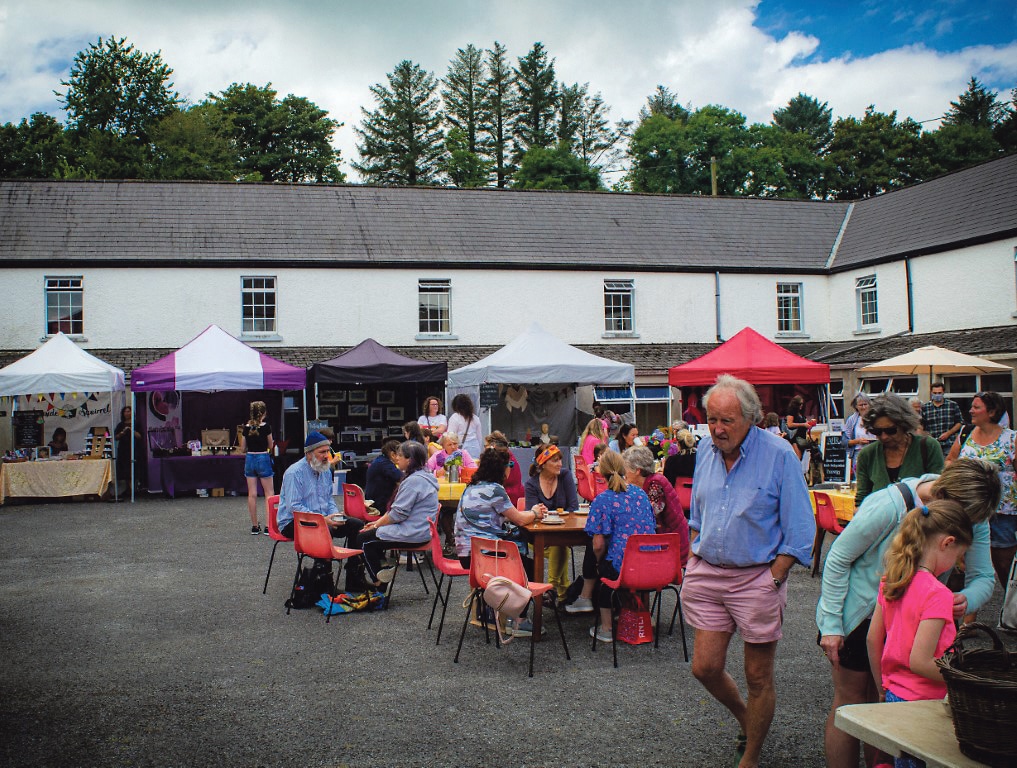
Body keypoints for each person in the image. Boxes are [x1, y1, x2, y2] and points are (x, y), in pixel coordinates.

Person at [816, 458, 1000, 768]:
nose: (969, 527)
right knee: (850, 704)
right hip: (858, 615)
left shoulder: (971, 513)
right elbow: (837, 559)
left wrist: (964, 599)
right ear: (946, 497)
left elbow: (984, 577)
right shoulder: (891, 505)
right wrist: (832, 624)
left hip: (914, 618)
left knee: (888, 712)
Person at [682, 375, 815, 768]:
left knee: (757, 677)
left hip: (757, 576)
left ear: (752, 418)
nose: (718, 429)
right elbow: (699, 510)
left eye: (727, 421)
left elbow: (801, 528)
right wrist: (693, 555)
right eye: (712, 419)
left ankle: (751, 756)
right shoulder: (706, 448)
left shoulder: (778, 454)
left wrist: (774, 576)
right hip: (709, 572)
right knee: (704, 667)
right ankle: (746, 718)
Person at [866, 499, 972, 768]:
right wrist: (964, 680)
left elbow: (872, 640)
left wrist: (882, 686)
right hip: (926, 703)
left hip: (894, 695)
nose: (956, 564)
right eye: (959, 557)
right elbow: (920, 661)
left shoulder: (892, 580)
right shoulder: (938, 593)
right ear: (947, 543)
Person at [455, 446, 543, 636]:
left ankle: (501, 612)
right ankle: (518, 619)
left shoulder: (471, 488)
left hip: (467, 556)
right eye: (510, 464)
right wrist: (535, 512)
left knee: (520, 558)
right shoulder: (495, 490)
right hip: (486, 559)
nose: (511, 468)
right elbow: (518, 519)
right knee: (531, 567)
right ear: (502, 468)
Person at [582, 449, 658, 642]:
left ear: (601, 472)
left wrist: (599, 562)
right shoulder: (640, 494)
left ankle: (606, 629)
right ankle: (643, 619)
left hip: (622, 568)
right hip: (651, 565)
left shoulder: (602, 499)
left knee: (605, 571)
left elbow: (598, 544)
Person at [946, 391, 1016, 590]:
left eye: (976, 407)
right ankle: (970, 615)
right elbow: (950, 460)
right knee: (968, 562)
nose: (971, 410)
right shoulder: (965, 433)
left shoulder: (1012, 439)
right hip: (970, 509)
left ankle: (1010, 607)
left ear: (992, 412)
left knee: (1004, 562)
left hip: (1003, 511)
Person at [277, 432, 365, 586]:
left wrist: (334, 515)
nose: (327, 456)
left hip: (322, 519)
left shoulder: (325, 470)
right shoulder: (294, 473)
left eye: (328, 451)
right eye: (322, 452)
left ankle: (354, 578)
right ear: (309, 454)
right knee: (325, 530)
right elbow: (294, 507)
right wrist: (323, 520)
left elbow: (328, 499)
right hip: (294, 522)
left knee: (357, 525)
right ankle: (325, 583)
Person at [356, 441, 438, 589]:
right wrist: (376, 524)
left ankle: (380, 582)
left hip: (413, 533)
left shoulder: (413, 481)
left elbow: (397, 514)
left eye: (400, 455)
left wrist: (375, 525)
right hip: (421, 530)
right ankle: (384, 570)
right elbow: (397, 511)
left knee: (363, 539)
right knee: (371, 536)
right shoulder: (424, 476)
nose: (397, 459)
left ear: (410, 460)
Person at [854, 393, 944, 507]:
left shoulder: (928, 447)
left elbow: (939, 494)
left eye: (890, 430)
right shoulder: (867, 455)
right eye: (877, 432)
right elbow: (861, 501)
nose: (884, 436)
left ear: (904, 425)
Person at [524, 443, 580, 603]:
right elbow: (531, 514)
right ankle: (558, 590)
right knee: (560, 547)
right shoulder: (531, 484)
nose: (560, 464)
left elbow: (573, 507)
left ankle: (553, 589)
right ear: (542, 463)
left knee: (559, 544)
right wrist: (538, 512)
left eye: (560, 460)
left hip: (561, 533)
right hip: (538, 538)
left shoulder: (565, 476)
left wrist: (547, 513)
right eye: (555, 460)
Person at [622, 445, 689, 564]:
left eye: (626, 469)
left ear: (637, 470)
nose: (624, 474)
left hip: (671, 544)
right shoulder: (649, 482)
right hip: (667, 538)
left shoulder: (655, 484)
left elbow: (648, 515)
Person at [240, 400, 275, 535]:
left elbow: (243, 448)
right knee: (269, 493)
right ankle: (268, 526)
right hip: (262, 457)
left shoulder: (247, 427)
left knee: (252, 494)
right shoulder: (266, 427)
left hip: (250, 458)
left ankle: (255, 526)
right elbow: (270, 445)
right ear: (264, 413)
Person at [921, 381, 963, 457]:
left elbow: (959, 422)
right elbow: (921, 426)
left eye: (939, 393)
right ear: (931, 392)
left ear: (943, 392)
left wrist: (948, 433)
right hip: (932, 444)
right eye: (935, 393)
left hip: (949, 443)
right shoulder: (925, 407)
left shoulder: (952, 405)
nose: (937, 395)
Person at [364, 439, 403, 514]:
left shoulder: (380, 460)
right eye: (400, 455)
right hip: (380, 504)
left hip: (373, 500)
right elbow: (401, 478)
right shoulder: (386, 464)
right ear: (393, 454)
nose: (401, 457)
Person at [485, 431, 524, 506]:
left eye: (486, 446)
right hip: (514, 496)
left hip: (508, 499)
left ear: (493, 446)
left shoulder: (503, 460)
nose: (485, 449)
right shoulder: (509, 456)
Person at [841, 394, 876, 472]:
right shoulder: (852, 420)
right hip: (858, 453)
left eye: (865, 404)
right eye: (860, 405)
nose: (863, 407)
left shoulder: (875, 417)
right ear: (856, 406)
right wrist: (857, 441)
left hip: (874, 452)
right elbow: (844, 441)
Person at [114, 405, 144, 494]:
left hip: (134, 448)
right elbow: (116, 437)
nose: (127, 413)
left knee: (135, 468)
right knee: (125, 469)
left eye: (129, 411)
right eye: (125, 412)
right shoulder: (120, 425)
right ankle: (129, 488)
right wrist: (122, 432)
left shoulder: (136, 423)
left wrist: (131, 430)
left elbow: (140, 436)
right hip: (124, 449)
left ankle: (135, 488)